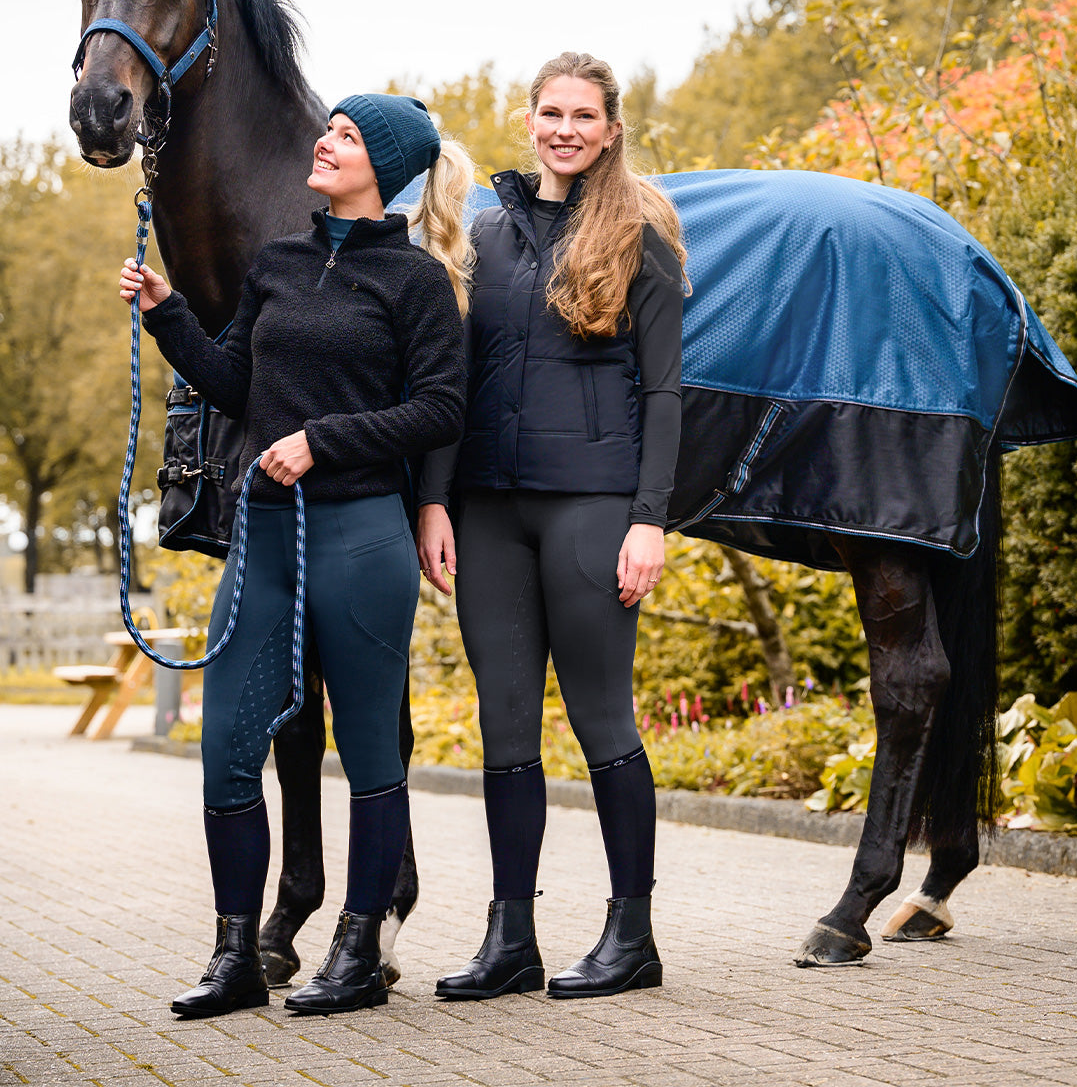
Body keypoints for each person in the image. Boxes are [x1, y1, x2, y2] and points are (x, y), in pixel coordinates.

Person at [118, 95, 471, 1018]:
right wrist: (168, 315)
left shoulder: (417, 281)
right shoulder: (277, 263)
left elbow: (441, 409)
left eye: (347, 136)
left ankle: (356, 954)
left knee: (369, 751)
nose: (325, 141)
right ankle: (237, 955)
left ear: (383, 167)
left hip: (363, 537)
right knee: (227, 748)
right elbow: (237, 384)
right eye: (331, 128)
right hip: (264, 535)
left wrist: (324, 440)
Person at [417, 52, 687, 1000]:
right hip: (489, 509)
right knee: (502, 724)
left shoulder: (641, 237)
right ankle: (511, 940)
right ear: (529, 121)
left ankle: (632, 936)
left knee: (602, 715)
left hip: (591, 506)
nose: (565, 129)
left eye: (583, 116)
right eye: (551, 113)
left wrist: (649, 521)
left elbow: (665, 392)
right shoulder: (482, 235)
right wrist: (435, 499)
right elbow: (453, 380)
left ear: (610, 132)